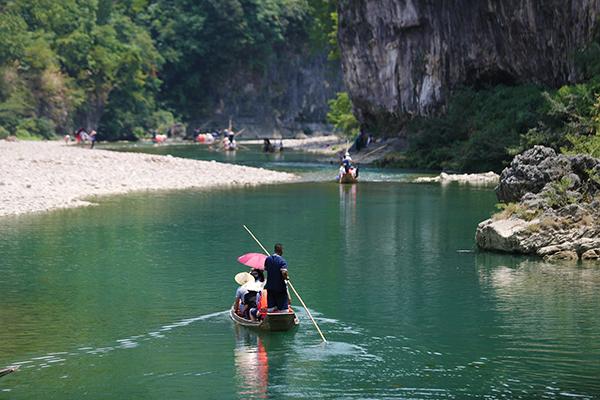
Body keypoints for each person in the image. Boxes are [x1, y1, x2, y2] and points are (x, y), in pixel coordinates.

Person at [264, 243, 289, 312]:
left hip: (270, 287)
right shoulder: (282, 261)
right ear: (281, 251)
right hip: (280, 287)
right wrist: (286, 278)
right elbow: (284, 272)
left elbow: (265, 268)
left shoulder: (268, 259)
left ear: (275, 250)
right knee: (284, 309)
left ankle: (271, 314)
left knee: (271, 308)